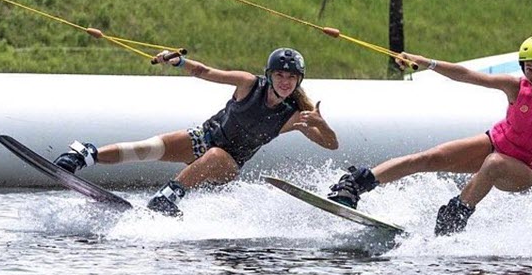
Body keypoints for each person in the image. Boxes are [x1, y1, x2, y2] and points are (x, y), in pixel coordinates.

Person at [327, 35, 532, 236]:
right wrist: (426, 62)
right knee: (429, 157)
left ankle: (455, 216)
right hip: (495, 143)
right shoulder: (516, 87)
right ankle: (356, 184)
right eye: (529, 69)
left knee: (493, 163)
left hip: (524, 170)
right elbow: (467, 75)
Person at [54, 47, 338, 216]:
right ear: (269, 75)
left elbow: (330, 145)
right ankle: (86, 156)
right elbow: (205, 71)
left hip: (227, 165)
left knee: (216, 155)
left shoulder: (295, 115)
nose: (285, 82)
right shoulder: (248, 83)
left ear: (299, 80)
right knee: (149, 147)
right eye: (280, 75)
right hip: (203, 138)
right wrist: (178, 61)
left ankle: (169, 196)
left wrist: (322, 125)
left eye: (291, 77)